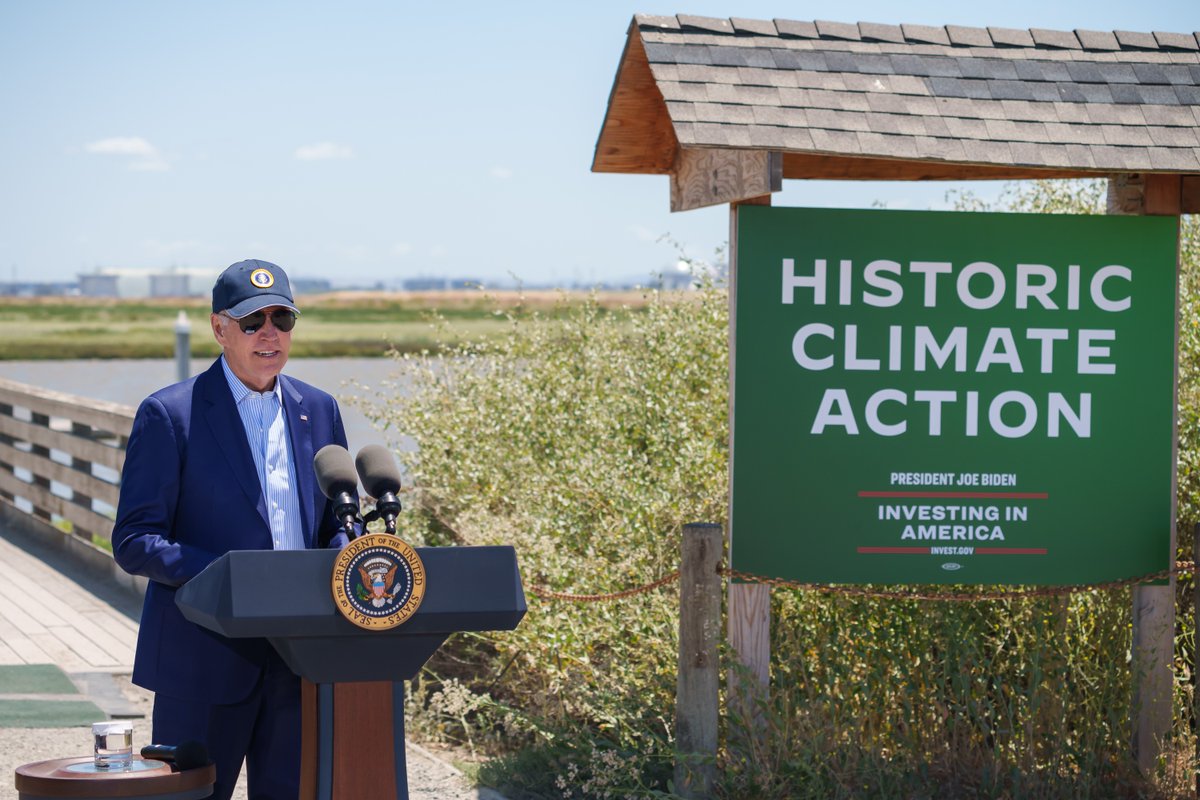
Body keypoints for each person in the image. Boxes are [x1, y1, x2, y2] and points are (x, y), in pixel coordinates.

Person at [112, 259, 354, 799]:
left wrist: (348, 555)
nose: (269, 333)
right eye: (252, 321)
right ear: (219, 329)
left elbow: (337, 522)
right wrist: (233, 578)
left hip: (301, 660)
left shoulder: (320, 409)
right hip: (202, 660)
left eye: (282, 319)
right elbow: (134, 540)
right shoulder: (169, 414)